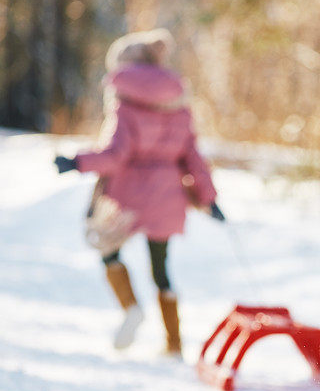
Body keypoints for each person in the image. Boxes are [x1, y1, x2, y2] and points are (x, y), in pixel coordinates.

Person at [54, 29, 224, 356]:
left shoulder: (124, 104)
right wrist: (209, 198)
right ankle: (173, 344)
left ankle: (131, 308)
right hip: (167, 195)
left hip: (127, 196)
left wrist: (76, 161)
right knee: (161, 267)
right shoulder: (179, 104)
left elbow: (115, 155)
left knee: (106, 247)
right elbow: (193, 158)